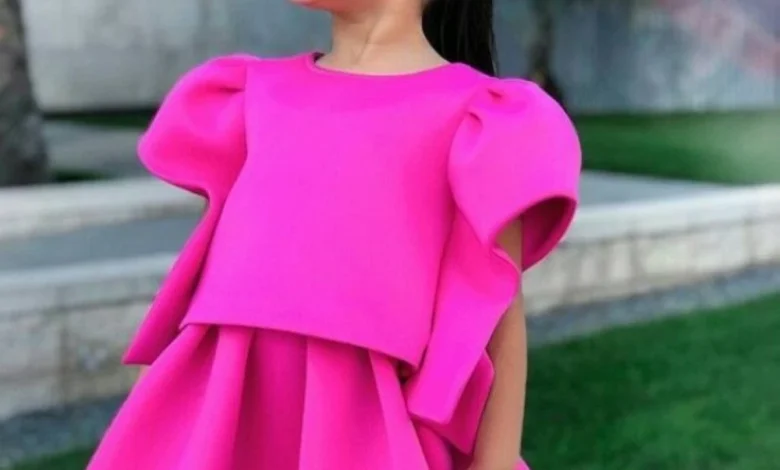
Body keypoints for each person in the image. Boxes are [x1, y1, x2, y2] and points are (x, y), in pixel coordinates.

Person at [87, 0, 581, 468]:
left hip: (371, 430)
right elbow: (198, 276)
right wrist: (152, 401)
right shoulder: (247, 96)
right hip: (224, 414)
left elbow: (494, 306)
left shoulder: (481, 120)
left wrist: (494, 460)